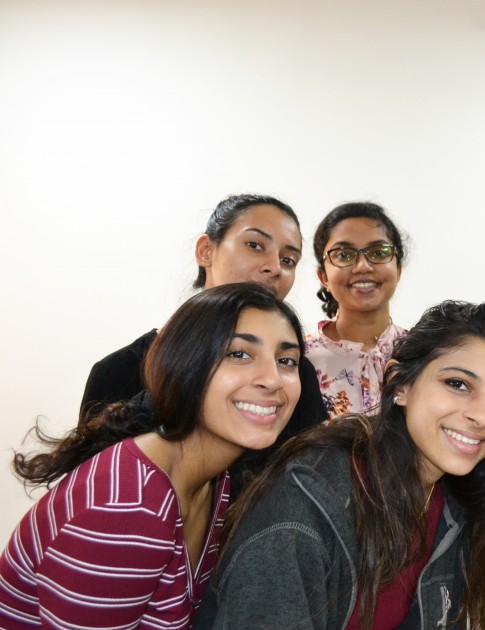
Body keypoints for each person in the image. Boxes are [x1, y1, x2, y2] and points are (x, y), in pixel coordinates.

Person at [179, 301, 485, 630]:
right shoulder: (307, 505)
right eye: (458, 384)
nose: (482, 416)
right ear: (400, 384)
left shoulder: (454, 503)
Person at [0, 283, 304, 630]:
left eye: (287, 360)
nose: (272, 379)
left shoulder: (215, 483)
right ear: (186, 364)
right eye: (239, 354)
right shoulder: (127, 509)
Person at [79, 194, 328, 496]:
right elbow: (93, 490)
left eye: (288, 260)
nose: (274, 267)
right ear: (206, 251)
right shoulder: (119, 371)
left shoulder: (296, 378)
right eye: (255, 245)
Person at [305, 202, 407, 418]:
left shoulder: (422, 353)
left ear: (398, 270)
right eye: (344, 255)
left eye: (378, 252)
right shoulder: (299, 358)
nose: (363, 266)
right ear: (324, 277)